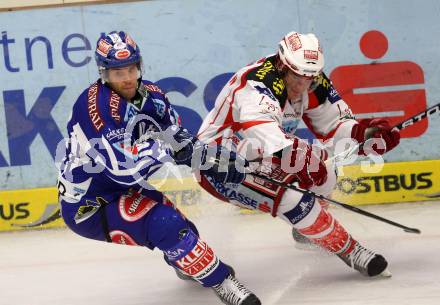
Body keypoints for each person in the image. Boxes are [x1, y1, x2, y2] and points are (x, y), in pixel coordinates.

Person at [56, 31, 261, 305]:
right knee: (168, 225)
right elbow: (124, 169)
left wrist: (217, 159)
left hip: (123, 188)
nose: (128, 78)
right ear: (105, 74)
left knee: (186, 234)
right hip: (89, 205)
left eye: (131, 69)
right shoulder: (96, 109)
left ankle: (186, 262)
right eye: (118, 73)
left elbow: (177, 135)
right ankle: (222, 282)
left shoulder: (150, 94)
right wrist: (171, 150)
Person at [197, 31, 400, 277]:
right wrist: (298, 159)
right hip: (218, 163)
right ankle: (351, 251)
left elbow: (334, 125)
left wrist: (365, 135)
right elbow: (262, 132)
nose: (301, 86)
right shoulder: (257, 83)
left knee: (327, 168)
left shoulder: (313, 81)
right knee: (293, 197)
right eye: (296, 76)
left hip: (260, 152)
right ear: (282, 65)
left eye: (309, 79)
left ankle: (308, 230)